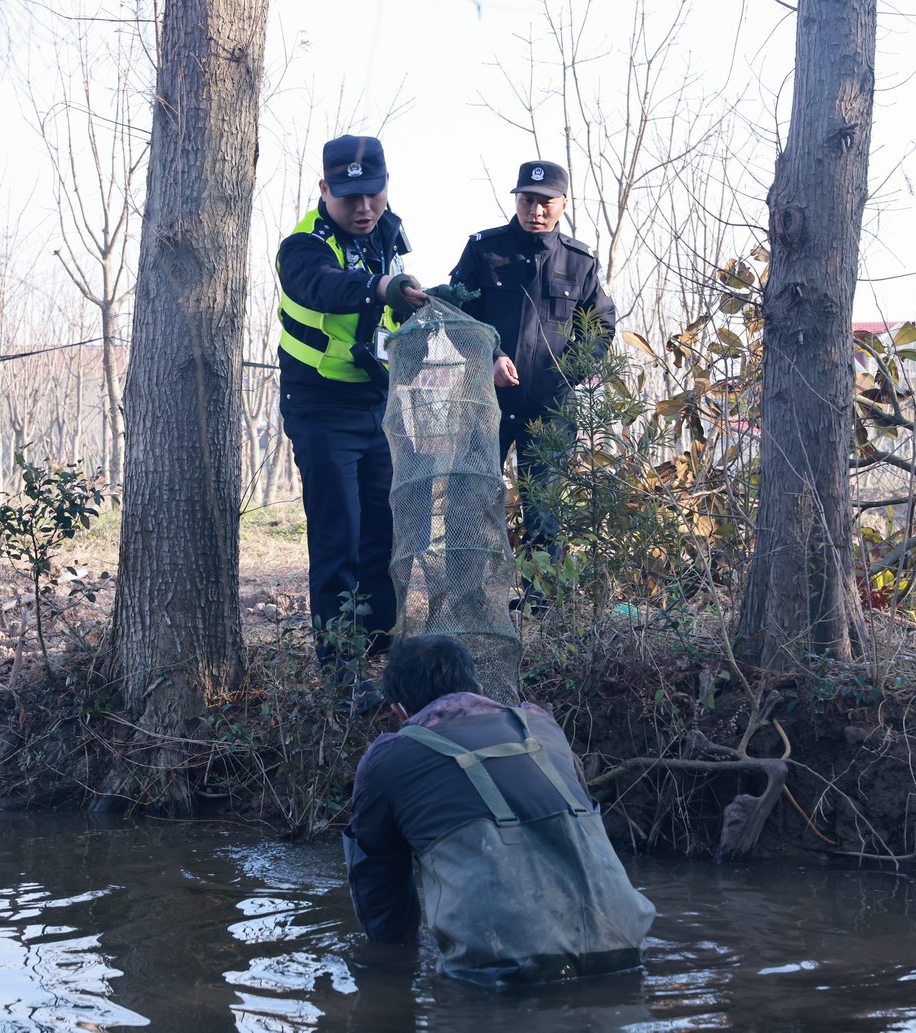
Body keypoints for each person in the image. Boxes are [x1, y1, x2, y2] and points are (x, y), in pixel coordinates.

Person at [343, 634, 656, 984]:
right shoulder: (540, 726)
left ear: (398, 711)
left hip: (500, 971)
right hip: (625, 944)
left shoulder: (387, 760)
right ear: (477, 687)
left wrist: (393, 967)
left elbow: (378, 891)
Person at [277, 135, 426, 675]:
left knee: (383, 532)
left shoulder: (388, 232)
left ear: (386, 187)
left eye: (372, 194)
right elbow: (323, 287)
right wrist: (382, 286)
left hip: (376, 403)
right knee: (338, 533)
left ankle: (380, 651)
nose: (363, 208)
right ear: (324, 189)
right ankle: (339, 665)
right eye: (348, 197)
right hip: (321, 407)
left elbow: (395, 318)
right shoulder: (304, 245)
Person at [449, 161, 616, 594]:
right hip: (484, 402)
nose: (535, 210)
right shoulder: (484, 250)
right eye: (527, 199)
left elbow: (600, 326)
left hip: (550, 405)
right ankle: (468, 600)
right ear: (516, 200)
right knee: (469, 500)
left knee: (544, 508)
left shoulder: (579, 263)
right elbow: (456, 313)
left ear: (562, 204)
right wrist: (490, 355)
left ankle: (540, 605)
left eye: (545, 202)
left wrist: (573, 372)